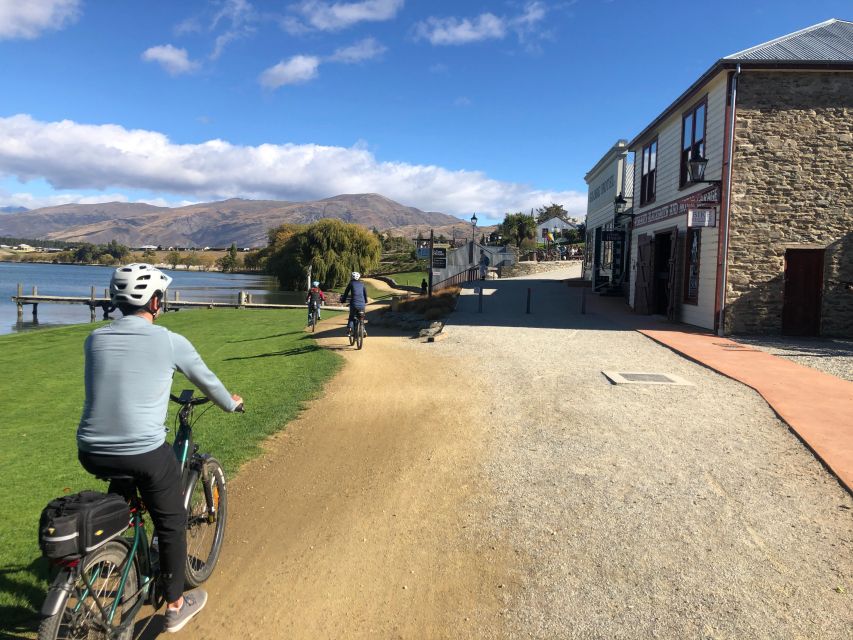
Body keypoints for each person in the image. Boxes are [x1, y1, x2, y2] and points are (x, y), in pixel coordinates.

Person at [76, 263, 243, 634]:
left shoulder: (95, 339)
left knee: (126, 488)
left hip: (90, 448)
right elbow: (207, 380)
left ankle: (117, 549)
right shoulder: (169, 341)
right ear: (154, 301)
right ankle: (175, 605)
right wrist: (230, 403)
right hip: (142, 451)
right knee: (171, 522)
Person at [339, 271, 368, 336]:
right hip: (362, 304)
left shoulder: (351, 284)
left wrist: (343, 300)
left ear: (352, 277)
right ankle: (363, 329)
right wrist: (365, 301)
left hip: (354, 303)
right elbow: (365, 294)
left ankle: (349, 329)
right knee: (362, 317)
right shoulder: (362, 284)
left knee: (352, 316)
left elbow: (346, 293)